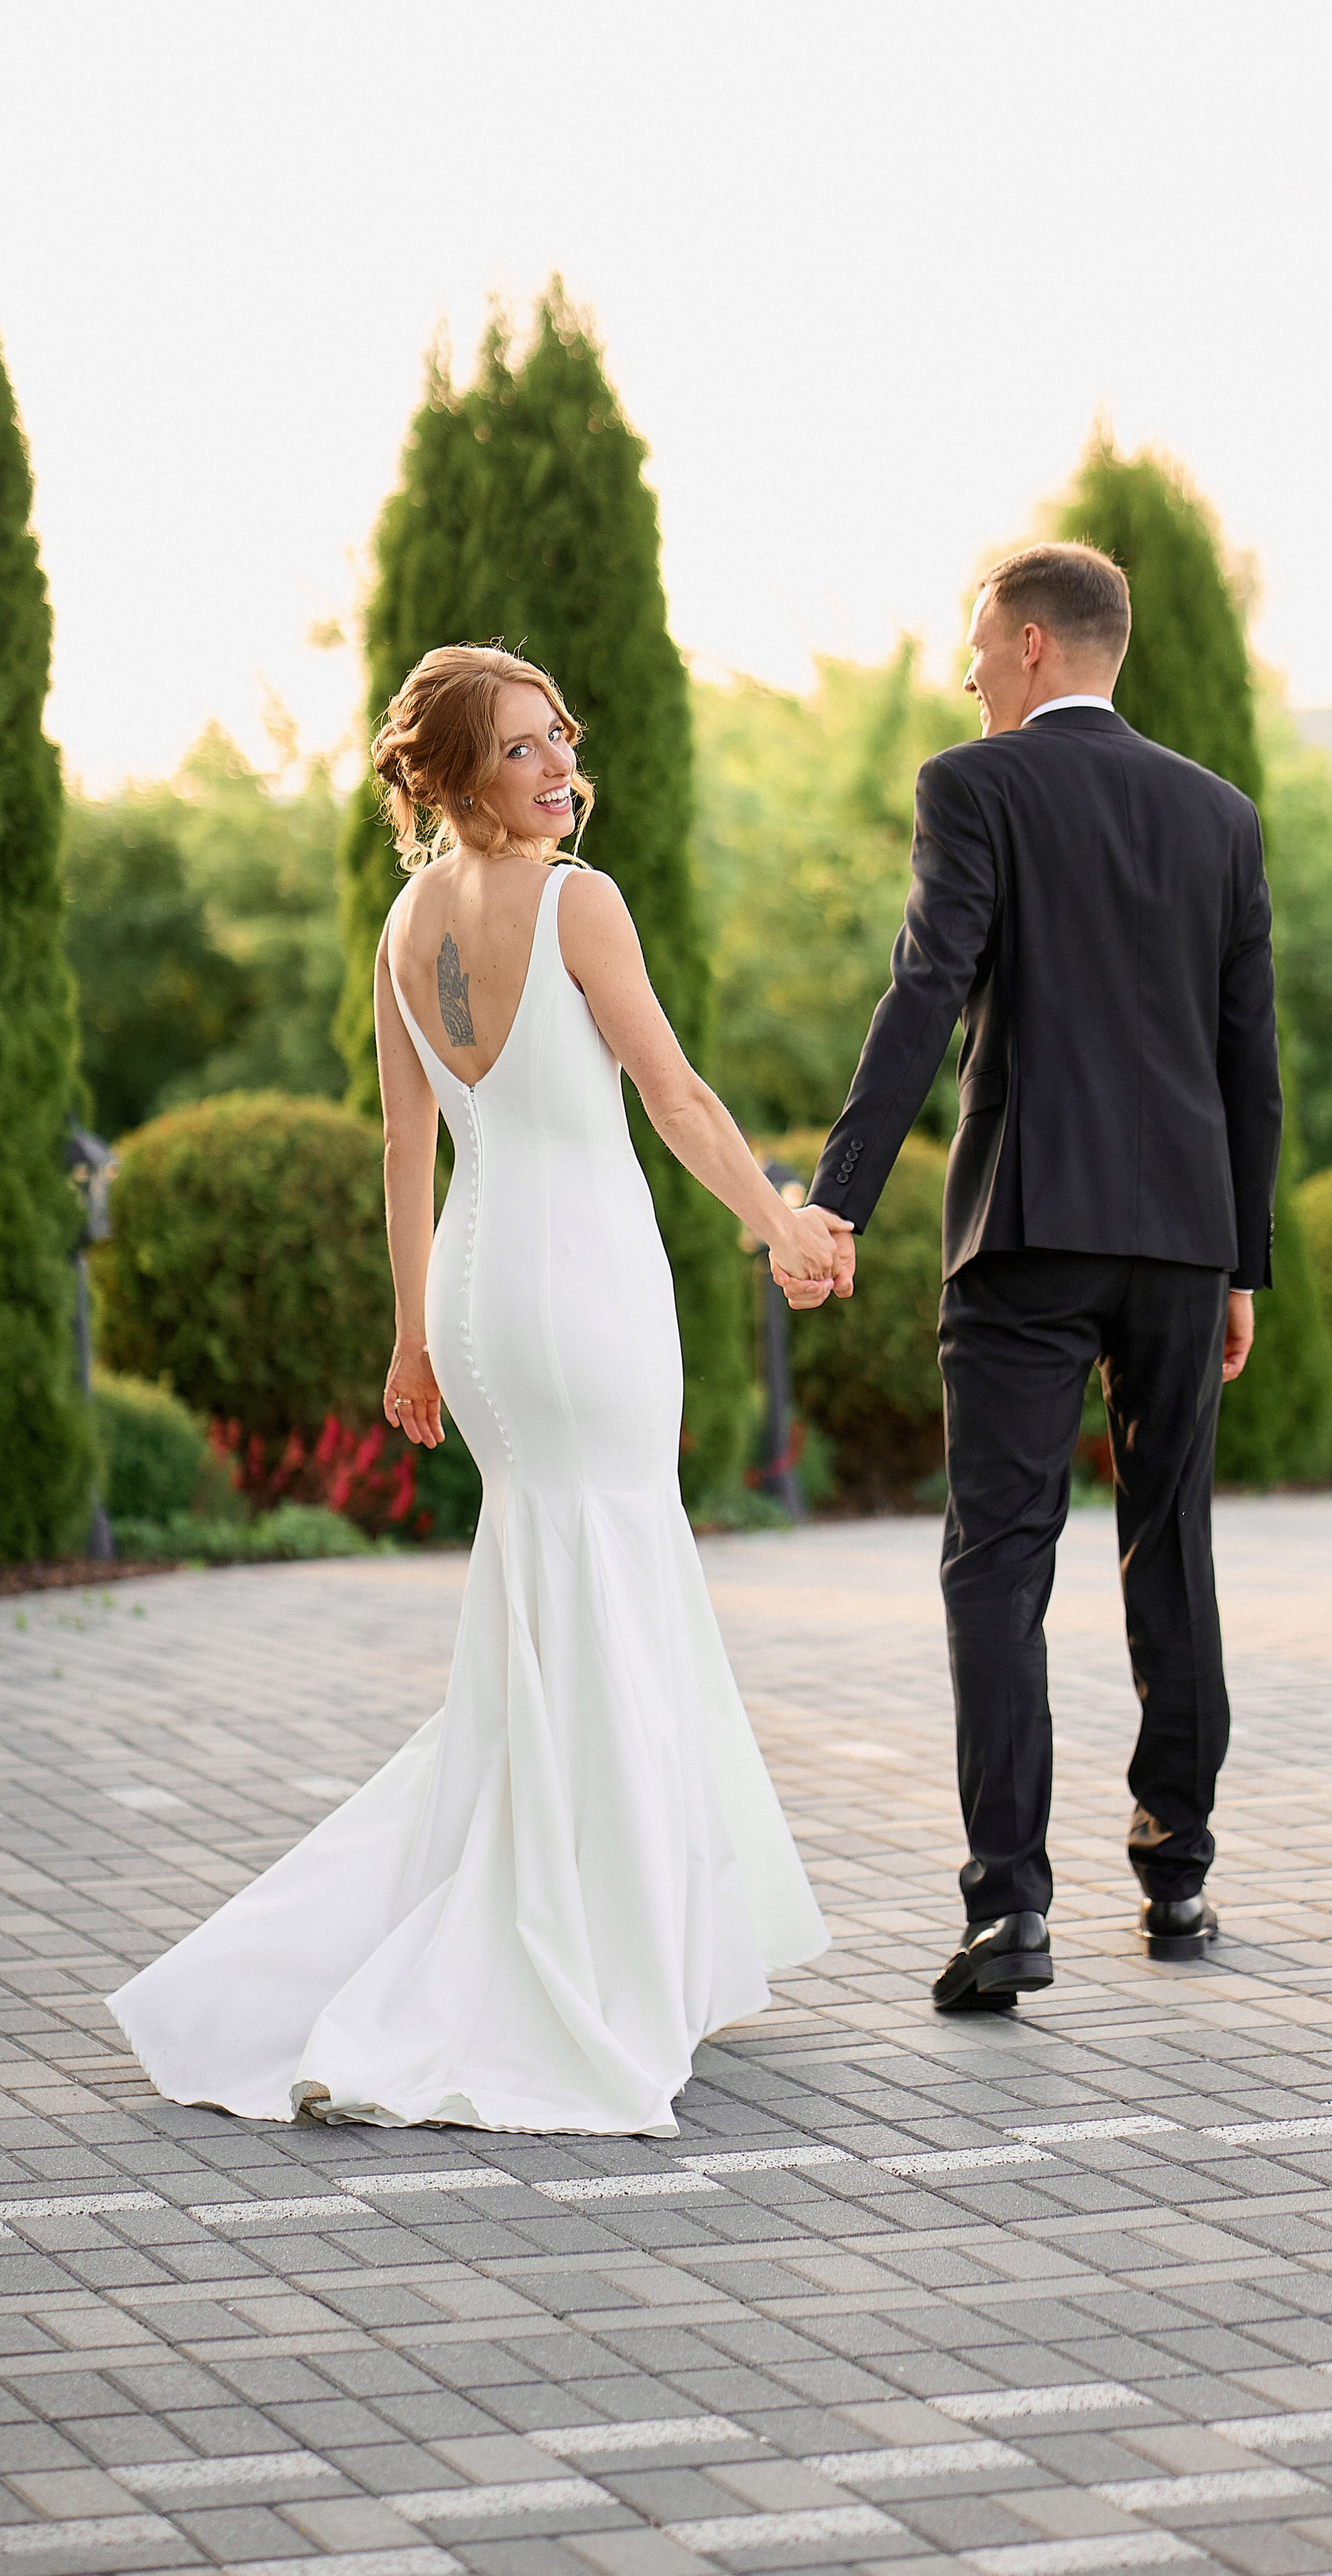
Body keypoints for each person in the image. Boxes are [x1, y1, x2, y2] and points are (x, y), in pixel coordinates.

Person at [109, 644, 842, 2135]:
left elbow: (409, 1146)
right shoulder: (579, 901)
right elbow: (674, 1094)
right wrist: (778, 1221)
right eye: (520, 748)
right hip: (583, 1282)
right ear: (450, 776)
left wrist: (413, 1335)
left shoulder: (403, 924)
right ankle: (600, 1951)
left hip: (479, 1294)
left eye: (558, 735)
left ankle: (594, 1920)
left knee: (550, 1584)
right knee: (611, 1570)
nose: (559, 764)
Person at [777, 543, 1283, 2009]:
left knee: (997, 1559)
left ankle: (1009, 1910)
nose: (967, 676)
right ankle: (1177, 1870)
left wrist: (837, 1199)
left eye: (978, 648)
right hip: (1181, 1236)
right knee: (1170, 1540)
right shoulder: (1220, 814)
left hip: (1025, 1225)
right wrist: (1240, 1261)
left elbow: (924, 991)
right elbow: (1247, 1056)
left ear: (1034, 644)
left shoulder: (973, 786)